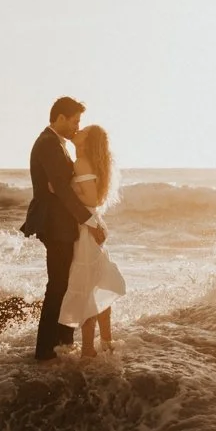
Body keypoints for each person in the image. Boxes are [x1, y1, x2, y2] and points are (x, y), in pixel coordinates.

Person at [21, 97, 106, 362]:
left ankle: (61, 343)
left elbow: (62, 186)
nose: (76, 126)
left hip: (61, 223)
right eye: (75, 121)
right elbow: (63, 190)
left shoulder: (56, 143)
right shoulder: (48, 144)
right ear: (60, 118)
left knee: (65, 283)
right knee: (58, 285)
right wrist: (91, 222)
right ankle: (46, 351)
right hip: (54, 224)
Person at [58, 125, 125, 357]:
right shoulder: (90, 162)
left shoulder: (82, 163)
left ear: (87, 141)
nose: (78, 130)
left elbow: (92, 200)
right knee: (98, 280)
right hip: (92, 225)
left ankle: (88, 349)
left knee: (88, 286)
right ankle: (106, 341)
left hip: (87, 228)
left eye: (83, 130)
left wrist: (63, 191)